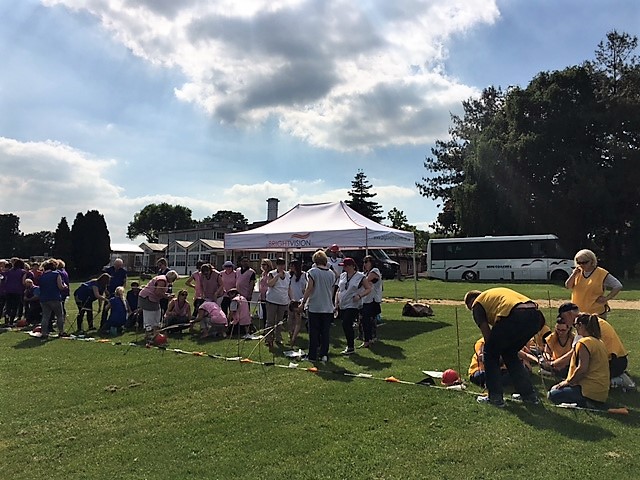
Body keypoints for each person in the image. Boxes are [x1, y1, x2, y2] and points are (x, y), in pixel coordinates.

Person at [464, 287, 545, 407]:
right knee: (510, 353)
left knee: (490, 353)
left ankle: (495, 397)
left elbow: (487, 336)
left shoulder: (477, 305)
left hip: (515, 315)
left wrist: (493, 349)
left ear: (471, 303)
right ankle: (529, 395)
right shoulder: (494, 296)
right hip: (536, 317)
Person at [554, 302, 631, 386]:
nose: (563, 321)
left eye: (563, 317)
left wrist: (553, 364)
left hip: (614, 362)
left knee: (582, 379)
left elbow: (574, 353)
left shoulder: (583, 327)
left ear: (569, 314)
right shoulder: (588, 321)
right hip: (618, 360)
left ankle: (618, 380)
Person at [548, 313, 610, 407]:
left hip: (588, 391)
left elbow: (582, 369)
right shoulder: (598, 342)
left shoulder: (584, 343)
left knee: (552, 394)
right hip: (601, 391)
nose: (575, 328)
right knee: (557, 389)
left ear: (580, 325)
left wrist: (568, 382)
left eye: (575, 325)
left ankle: (586, 402)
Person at [299, 250, 336, 362]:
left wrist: (303, 302)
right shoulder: (331, 273)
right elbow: (332, 288)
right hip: (328, 306)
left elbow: (309, 288)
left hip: (315, 306)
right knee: (325, 332)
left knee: (314, 332)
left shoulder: (312, 272)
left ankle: (312, 355)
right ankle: (324, 354)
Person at [565, 249, 622, 318]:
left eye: (584, 262)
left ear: (592, 261)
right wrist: (573, 274)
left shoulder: (601, 273)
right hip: (578, 312)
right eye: (579, 262)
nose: (581, 265)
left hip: (596, 313)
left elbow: (618, 286)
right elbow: (568, 286)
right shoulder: (577, 272)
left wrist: (607, 298)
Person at [335, 258, 372, 356]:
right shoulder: (343, 276)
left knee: (346, 323)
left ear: (352, 266)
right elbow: (339, 290)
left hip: (353, 304)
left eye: (346, 266)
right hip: (343, 304)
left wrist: (359, 296)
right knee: (345, 324)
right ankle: (350, 345)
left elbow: (368, 289)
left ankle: (350, 346)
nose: (344, 268)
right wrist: (336, 302)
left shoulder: (360, 276)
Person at [138, 270, 178, 343]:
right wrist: (167, 296)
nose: (173, 281)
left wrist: (167, 295)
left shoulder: (164, 280)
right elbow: (158, 292)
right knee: (150, 317)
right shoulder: (162, 280)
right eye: (174, 279)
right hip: (147, 298)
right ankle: (148, 335)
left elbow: (160, 292)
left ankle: (156, 334)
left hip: (154, 299)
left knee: (157, 315)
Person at [38, 259, 68, 338]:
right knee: (59, 315)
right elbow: (60, 287)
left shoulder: (41, 276)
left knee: (45, 316)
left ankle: (44, 333)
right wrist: (64, 286)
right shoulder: (56, 274)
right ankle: (61, 331)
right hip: (54, 297)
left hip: (43, 298)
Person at [265, 258, 291, 347]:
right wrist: (277, 276)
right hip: (272, 300)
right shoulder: (272, 273)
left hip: (283, 301)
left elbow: (289, 288)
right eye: (279, 264)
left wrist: (292, 299)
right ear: (277, 265)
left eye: (282, 264)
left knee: (280, 321)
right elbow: (270, 284)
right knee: (270, 321)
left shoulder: (288, 275)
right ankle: (268, 339)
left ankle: (278, 338)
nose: (281, 266)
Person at [360, 255, 382, 348]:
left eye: (367, 262)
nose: (365, 264)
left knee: (367, 320)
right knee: (367, 321)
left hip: (372, 300)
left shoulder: (374, 271)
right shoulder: (366, 273)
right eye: (364, 262)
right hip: (366, 300)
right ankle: (370, 338)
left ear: (371, 262)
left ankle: (367, 340)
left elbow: (364, 281)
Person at [100, 258, 128, 330]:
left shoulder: (123, 272)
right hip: (109, 292)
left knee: (116, 308)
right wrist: (105, 290)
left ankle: (113, 323)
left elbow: (124, 282)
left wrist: (122, 290)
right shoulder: (108, 270)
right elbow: (104, 281)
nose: (118, 266)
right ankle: (103, 324)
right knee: (105, 309)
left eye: (119, 265)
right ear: (114, 264)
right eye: (117, 265)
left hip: (118, 292)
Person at [287, 259, 307, 347]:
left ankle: (294, 337)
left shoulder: (304, 275)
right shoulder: (290, 275)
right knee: (290, 319)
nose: (290, 268)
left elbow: (306, 288)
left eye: (292, 266)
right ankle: (291, 332)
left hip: (300, 300)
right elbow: (288, 288)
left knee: (297, 319)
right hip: (291, 299)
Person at [4, 258, 27, 326]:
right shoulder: (23, 272)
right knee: (15, 307)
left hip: (8, 290)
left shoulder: (9, 271)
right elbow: (23, 282)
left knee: (8, 306)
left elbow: (5, 280)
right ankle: (11, 322)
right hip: (17, 290)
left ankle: (6, 320)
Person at [258, 259, 273, 329]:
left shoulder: (271, 274)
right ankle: (265, 327)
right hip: (262, 295)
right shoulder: (263, 274)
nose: (263, 266)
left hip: (269, 295)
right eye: (262, 265)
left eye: (265, 265)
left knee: (268, 313)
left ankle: (269, 327)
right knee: (264, 312)